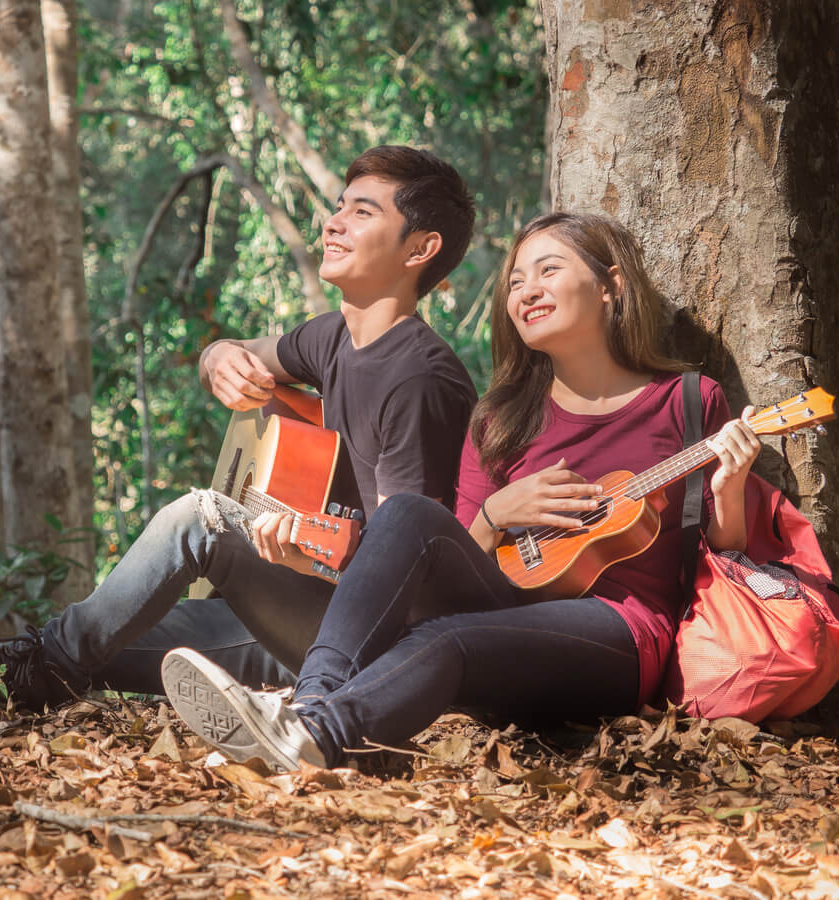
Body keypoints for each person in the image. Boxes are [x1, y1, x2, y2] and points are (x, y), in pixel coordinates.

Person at [0, 145, 479, 715]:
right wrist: (218, 357)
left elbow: (400, 560)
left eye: (363, 212)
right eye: (338, 204)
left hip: (355, 652)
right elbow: (245, 353)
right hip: (278, 626)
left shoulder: (419, 377)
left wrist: (309, 542)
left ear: (419, 251)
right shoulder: (332, 337)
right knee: (85, 642)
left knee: (202, 520)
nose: (333, 221)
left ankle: (48, 660)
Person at [159, 211, 762, 772]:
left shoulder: (686, 400)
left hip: (621, 633)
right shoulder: (499, 419)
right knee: (409, 515)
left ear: (611, 284)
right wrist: (498, 512)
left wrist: (730, 487)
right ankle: (309, 707)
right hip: (502, 614)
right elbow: (454, 561)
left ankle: (314, 735)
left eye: (549, 270)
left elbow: (719, 554)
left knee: (445, 639)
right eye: (516, 280)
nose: (526, 290)